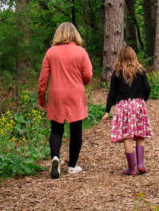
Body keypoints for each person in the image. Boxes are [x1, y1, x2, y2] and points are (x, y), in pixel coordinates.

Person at [38, 22, 93, 179]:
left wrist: (41, 98)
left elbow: (43, 79)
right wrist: (82, 83)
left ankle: (55, 157)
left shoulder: (50, 53)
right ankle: (72, 166)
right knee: (76, 130)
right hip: (75, 94)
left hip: (57, 94)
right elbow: (88, 74)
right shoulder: (81, 52)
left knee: (56, 129)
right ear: (75, 34)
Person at [102, 45, 152, 175]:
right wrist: (143, 99)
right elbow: (147, 88)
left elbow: (112, 93)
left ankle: (131, 168)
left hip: (123, 107)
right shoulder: (141, 71)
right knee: (140, 135)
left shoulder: (117, 73)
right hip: (138, 105)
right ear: (133, 56)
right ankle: (141, 164)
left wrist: (107, 111)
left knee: (127, 137)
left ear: (120, 58)